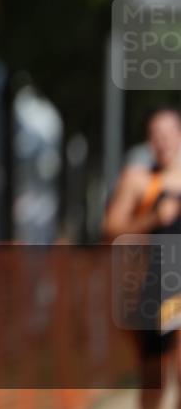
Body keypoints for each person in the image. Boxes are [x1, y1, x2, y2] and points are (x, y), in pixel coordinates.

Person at [103, 106, 181, 409]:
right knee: (154, 377)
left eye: (168, 134)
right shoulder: (139, 181)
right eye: (155, 135)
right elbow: (111, 230)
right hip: (156, 287)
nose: (162, 142)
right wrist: (153, 217)